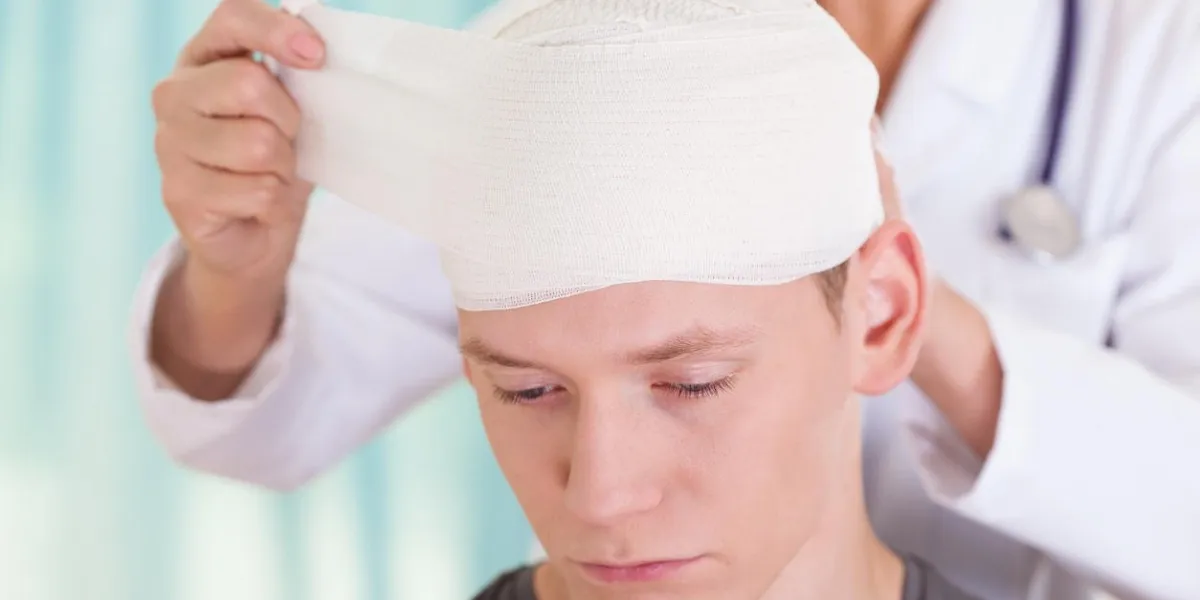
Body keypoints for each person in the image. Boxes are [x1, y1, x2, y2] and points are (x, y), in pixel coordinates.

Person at [136, 0, 1200, 598]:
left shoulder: (1154, 57)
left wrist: (886, 296)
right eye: (532, 391)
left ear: (888, 310)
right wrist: (237, 266)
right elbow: (264, 414)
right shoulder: (579, 50)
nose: (603, 496)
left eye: (692, 380)